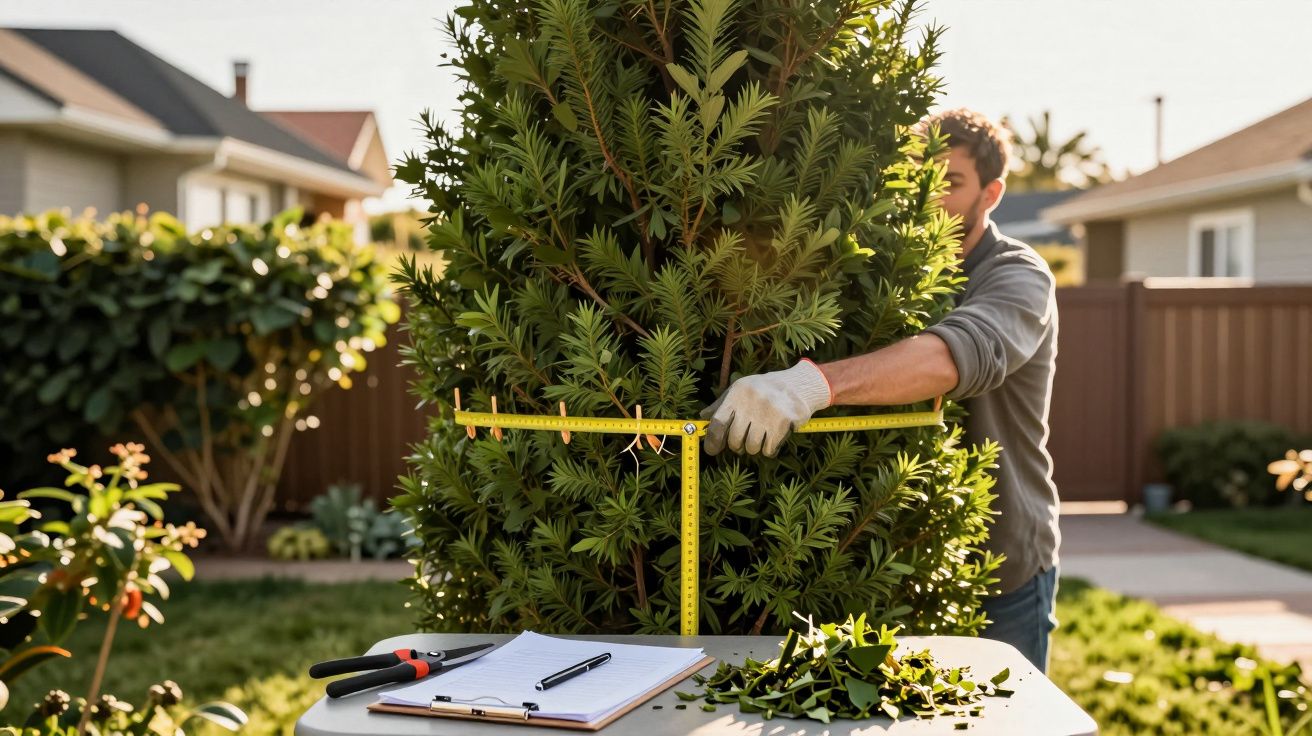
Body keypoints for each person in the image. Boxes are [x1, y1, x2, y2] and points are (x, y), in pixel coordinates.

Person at [699, 108, 1061, 673]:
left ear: (990, 193)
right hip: (890, 562)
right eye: (917, 174)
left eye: (950, 182)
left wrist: (810, 383)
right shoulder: (883, 267)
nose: (926, 194)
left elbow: (955, 356)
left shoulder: (1019, 275)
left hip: (1000, 567)